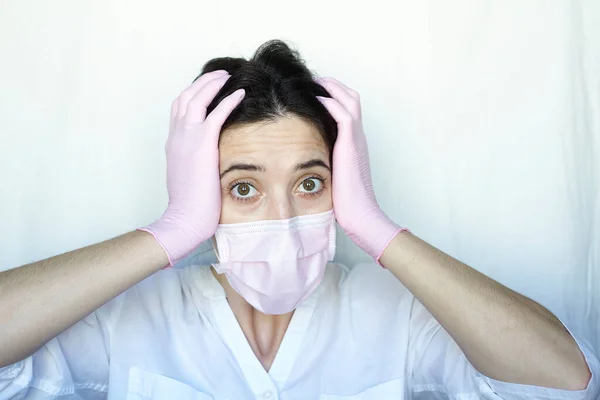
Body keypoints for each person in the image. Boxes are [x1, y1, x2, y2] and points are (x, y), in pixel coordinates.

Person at [0, 40, 597, 400]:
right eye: (243, 187)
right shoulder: (129, 314)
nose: (282, 218)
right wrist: (171, 231)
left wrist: (378, 228)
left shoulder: (398, 312)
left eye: (310, 183)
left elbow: (567, 383)